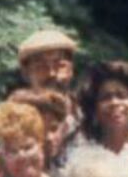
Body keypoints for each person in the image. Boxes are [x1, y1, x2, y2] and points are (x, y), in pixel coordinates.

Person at [68, 59, 128, 177]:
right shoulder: (81, 156)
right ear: (94, 110)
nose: (114, 102)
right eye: (105, 98)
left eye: (121, 96)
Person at [14, 29, 80, 157]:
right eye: (41, 67)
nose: (52, 74)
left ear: (71, 70)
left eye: (60, 66)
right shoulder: (13, 118)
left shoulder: (87, 115)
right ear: (26, 73)